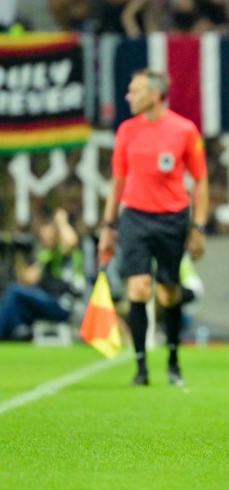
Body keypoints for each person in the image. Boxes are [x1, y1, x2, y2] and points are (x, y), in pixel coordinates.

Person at [99, 68, 209, 387]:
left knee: (168, 291)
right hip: (134, 216)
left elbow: (200, 180)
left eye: (135, 91)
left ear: (155, 94)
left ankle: (173, 361)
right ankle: (141, 368)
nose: (128, 97)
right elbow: (118, 181)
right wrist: (109, 225)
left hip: (172, 218)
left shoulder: (184, 130)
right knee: (139, 288)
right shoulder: (126, 131)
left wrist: (198, 226)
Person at [0, 209, 84, 341]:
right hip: (46, 301)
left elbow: (72, 241)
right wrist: (18, 255)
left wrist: (61, 222)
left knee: (13, 291)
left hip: (62, 303)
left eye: (50, 233)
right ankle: (19, 332)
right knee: (10, 302)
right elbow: (28, 279)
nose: (47, 237)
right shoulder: (45, 254)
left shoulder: (64, 251)